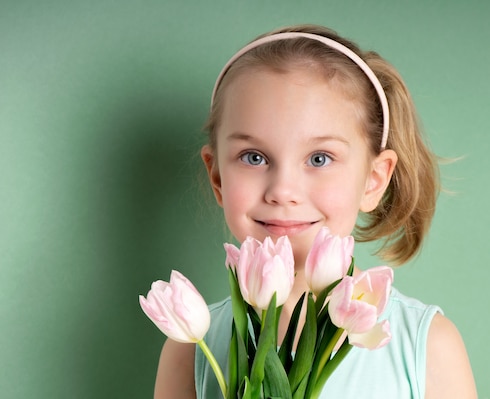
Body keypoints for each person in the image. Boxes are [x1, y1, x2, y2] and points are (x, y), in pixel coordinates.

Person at [153, 24, 477, 398]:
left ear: (373, 180)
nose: (283, 191)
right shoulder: (190, 345)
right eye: (253, 157)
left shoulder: (427, 347)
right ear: (218, 178)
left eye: (320, 158)